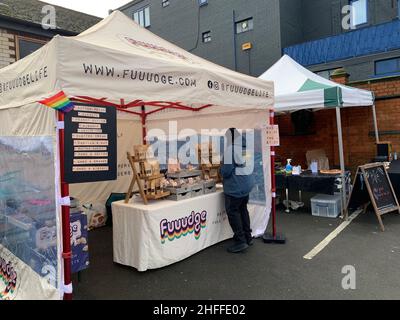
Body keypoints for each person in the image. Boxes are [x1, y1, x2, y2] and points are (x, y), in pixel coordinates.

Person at [220, 128, 255, 253]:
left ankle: (240, 241)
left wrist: (220, 168)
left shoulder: (231, 150)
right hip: (246, 185)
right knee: (243, 209)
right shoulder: (246, 148)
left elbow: (226, 171)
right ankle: (248, 237)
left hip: (235, 187)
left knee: (233, 212)